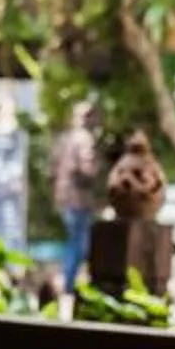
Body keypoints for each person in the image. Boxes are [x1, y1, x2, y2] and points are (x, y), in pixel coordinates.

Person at [50, 100, 105, 290]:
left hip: (66, 198)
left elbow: (53, 168)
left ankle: (67, 282)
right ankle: (68, 285)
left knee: (73, 241)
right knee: (78, 244)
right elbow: (86, 169)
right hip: (77, 200)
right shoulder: (83, 139)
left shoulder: (66, 139)